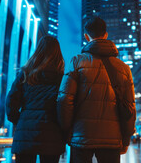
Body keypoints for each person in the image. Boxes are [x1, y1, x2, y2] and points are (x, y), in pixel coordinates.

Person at [57, 16, 136, 163]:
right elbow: (130, 106)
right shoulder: (124, 68)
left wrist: (68, 130)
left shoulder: (77, 61)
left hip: (81, 135)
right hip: (112, 138)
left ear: (86, 36)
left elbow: (64, 99)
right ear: (106, 35)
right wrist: (125, 138)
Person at [6, 36, 65, 163]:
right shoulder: (62, 78)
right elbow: (65, 106)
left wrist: (21, 120)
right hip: (52, 134)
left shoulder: (25, 74)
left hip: (25, 133)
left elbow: (11, 103)